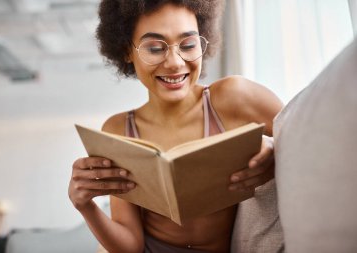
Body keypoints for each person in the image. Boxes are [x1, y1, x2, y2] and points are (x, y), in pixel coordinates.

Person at [68, 1, 283, 252]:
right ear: (128, 50)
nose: (175, 62)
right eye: (155, 48)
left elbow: (308, 141)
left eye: (188, 45)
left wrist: (276, 149)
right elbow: (131, 246)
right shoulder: (119, 130)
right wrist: (85, 206)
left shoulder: (235, 98)